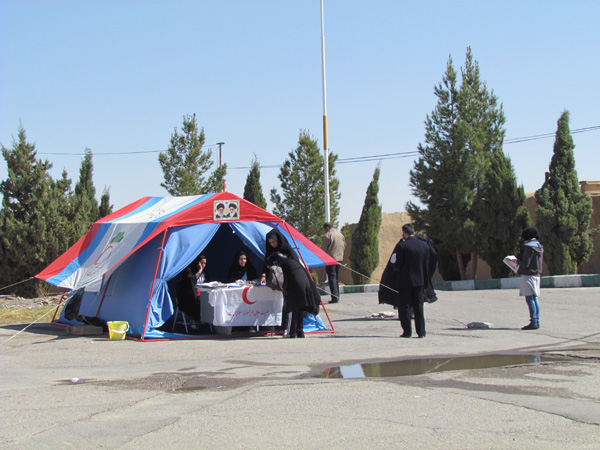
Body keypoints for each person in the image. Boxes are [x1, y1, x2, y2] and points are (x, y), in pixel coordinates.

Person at [266, 251, 320, 338]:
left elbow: (278, 278)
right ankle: (300, 332)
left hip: (296, 283)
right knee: (300, 307)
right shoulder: (291, 261)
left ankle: (291, 332)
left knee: (292, 309)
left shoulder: (281, 264)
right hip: (305, 283)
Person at [393, 224, 430, 338]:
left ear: (404, 233)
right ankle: (421, 332)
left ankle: (407, 332)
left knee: (405, 307)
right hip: (420, 281)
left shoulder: (402, 246)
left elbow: (397, 264)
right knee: (419, 307)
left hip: (405, 281)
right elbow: (427, 263)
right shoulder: (424, 245)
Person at [517, 227, 544, 330]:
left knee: (529, 299)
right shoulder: (539, 246)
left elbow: (525, 263)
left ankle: (533, 322)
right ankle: (536, 320)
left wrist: (516, 261)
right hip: (536, 275)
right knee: (534, 298)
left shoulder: (529, 247)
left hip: (528, 275)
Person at [321, 222, 345, 303]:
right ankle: (337, 296)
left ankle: (334, 298)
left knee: (331, 278)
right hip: (339, 259)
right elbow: (343, 246)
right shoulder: (340, 235)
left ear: (327, 228)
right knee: (336, 278)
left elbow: (323, 249)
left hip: (330, 259)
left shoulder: (328, 235)